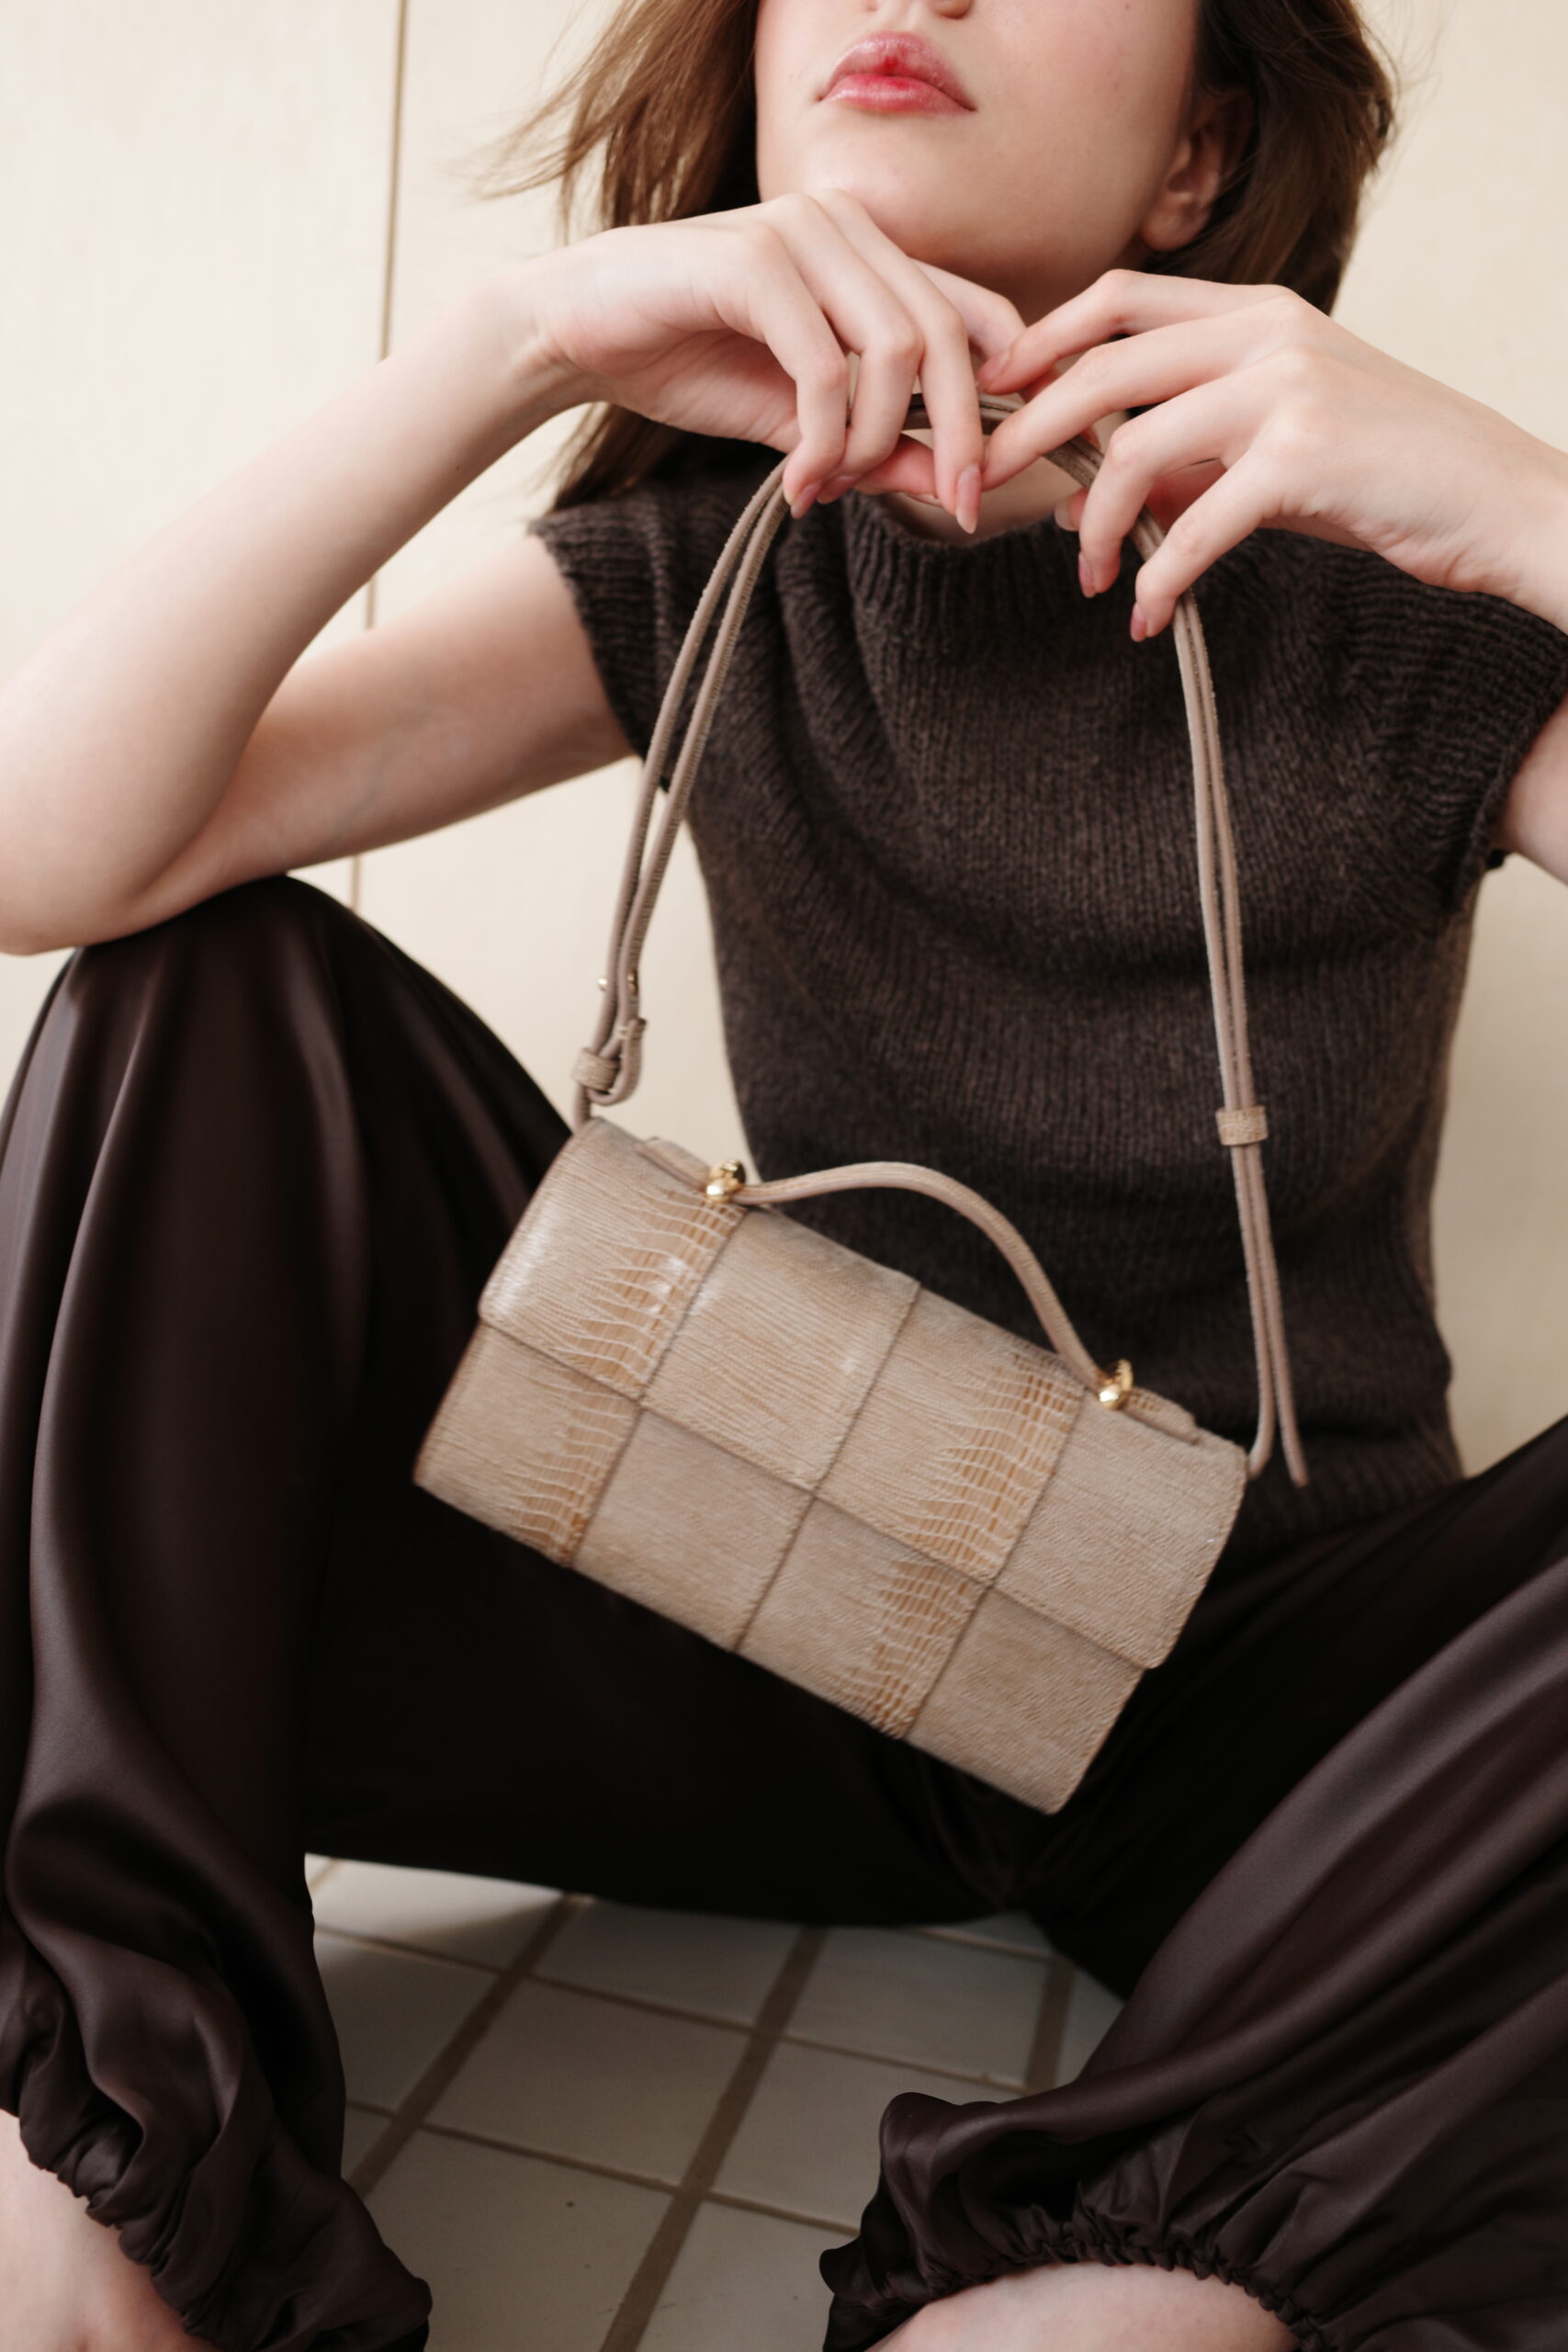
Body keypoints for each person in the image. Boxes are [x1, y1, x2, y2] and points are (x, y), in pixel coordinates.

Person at [2, 0, 1567, 2346]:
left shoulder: (1396, 616)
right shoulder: (721, 566)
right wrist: (518, 341)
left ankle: (1135, 2280)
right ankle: (94, 2181)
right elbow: (49, 854)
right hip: (786, 1610)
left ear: (1198, 154)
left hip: (1285, 1720)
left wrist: (1533, 510)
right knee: (196, 992)